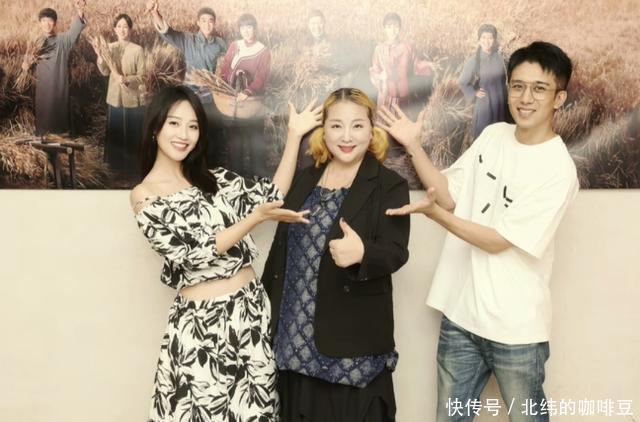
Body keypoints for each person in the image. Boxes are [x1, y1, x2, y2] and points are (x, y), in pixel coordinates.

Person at [380, 41, 579, 421]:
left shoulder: (558, 169)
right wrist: (414, 146)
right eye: (518, 86)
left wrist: (436, 216)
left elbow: (497, 241)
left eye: (539, 88)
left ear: (559, 98)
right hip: (461, 318)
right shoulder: (493, 136)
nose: (525, 98)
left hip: (516, 329)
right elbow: (448, 195)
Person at [130, 85, 321, 421]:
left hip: (249, 312)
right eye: (174, 123)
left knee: (255, 412)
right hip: (200, 325)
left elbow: (272, 195)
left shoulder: (214, 180)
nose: (184, 134)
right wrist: (254, 219)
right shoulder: (144, 195)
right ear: (155, 128)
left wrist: (294, 136)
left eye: (193, 126)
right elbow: (192, 253)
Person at [262, 88, 411, 422]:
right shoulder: (306, 178)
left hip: (350, 349)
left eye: (357, 126)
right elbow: (272, 212)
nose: (346, 136)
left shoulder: (389, 185)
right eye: (336, 126)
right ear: (324, 131)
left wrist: (363, 253)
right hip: (293, 343)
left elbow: (396, 252)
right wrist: (292, 136)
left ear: (371, 131)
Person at [147, 0, 227, 166]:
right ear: (198, 22)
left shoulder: (219, 44)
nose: (207, 24)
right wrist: (155, 13)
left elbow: (225, 65)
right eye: (203, 21)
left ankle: (208, 168)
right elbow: (168, 32)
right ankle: (188, 168)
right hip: (190, 95)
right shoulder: (187, 40)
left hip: (210, 97)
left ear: (214, 23)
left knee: (210, 133)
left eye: (210, 21)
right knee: (188, 133)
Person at [92, 13, 145, 178]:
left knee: (132, 133)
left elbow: (143, 76)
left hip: (132, 97)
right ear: (115, 29)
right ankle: (114, 171)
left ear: (130, 29)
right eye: (119, 26)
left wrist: (127, 79)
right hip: (115, 97)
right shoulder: (109, 48)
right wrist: (100, 56)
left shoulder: (137, 49)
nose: (122, 30)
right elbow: (104, 72)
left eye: (125, 27)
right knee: (116, 133)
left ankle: (132, 171)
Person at [22, 1, 87, 136]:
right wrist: (25, 66)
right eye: (44, 21)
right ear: (40, 23)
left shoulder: (63, 40)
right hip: (42, 87)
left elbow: (74, 31)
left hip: (59, 85)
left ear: (55, 23)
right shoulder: (36, 42)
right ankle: (42, 136)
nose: (47, 24)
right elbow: (27, 65)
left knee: (59, 112)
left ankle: (61, 137)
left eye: (50, 20)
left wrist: (80, 11)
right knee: (44, 114)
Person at [220, 13, 272, 177]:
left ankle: (259, 182)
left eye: (249, 27)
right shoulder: (235, 46)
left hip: (253, 104)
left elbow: (262, 77)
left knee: (256, 145)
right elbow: (225, 68)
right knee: (235, 146)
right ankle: (236, 181)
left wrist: (248, 91)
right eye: (243, 28)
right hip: (235, 103)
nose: (246, 31)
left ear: (255, 28)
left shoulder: (263, 51)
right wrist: (235, 75)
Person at [458, 24, 508, 142]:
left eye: (490, 37)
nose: (487, 41)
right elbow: (462, 82)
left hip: (499, 105)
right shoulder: (474, 61)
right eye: (484, 37)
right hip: (485, 105)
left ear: (494, 40)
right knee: (483, 139)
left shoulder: (500, 59)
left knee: (497, 138)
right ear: (479, 40)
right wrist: (474, 92)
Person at [369, 13, 412, 110]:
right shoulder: (379, 49)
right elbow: (374, 71)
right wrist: (380, 76)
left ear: (400, 28)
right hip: (385, 96)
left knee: (402, 118)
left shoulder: (407, 47)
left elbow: (416, 65)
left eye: (396, 26)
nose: (392, 30)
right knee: (385, 118)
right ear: (384, 28)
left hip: (403, 96)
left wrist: (431, 66)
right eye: (389, 27)